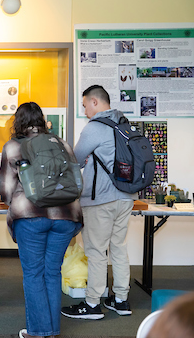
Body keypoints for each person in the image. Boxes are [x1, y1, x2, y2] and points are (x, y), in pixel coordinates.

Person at [0, 102, 83, 338]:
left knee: (34, 273)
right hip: (66, 216)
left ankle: (38, 331)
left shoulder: (14, 146)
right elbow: (75, 179)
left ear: (18, 121)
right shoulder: (61, 143)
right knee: (52, 272)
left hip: (31, 217)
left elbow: (5, 191)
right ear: (41, 120)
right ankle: (51, 330)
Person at [61, 85, 136, 320]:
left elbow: (75, 159)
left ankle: (92, 304)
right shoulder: (124, 124)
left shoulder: (95, 128)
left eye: (85, 105)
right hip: (126, 197)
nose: (84, 111)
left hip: (100, 199)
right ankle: (121, 300)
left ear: (94, 102)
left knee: (95, 251)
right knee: (119, 247)